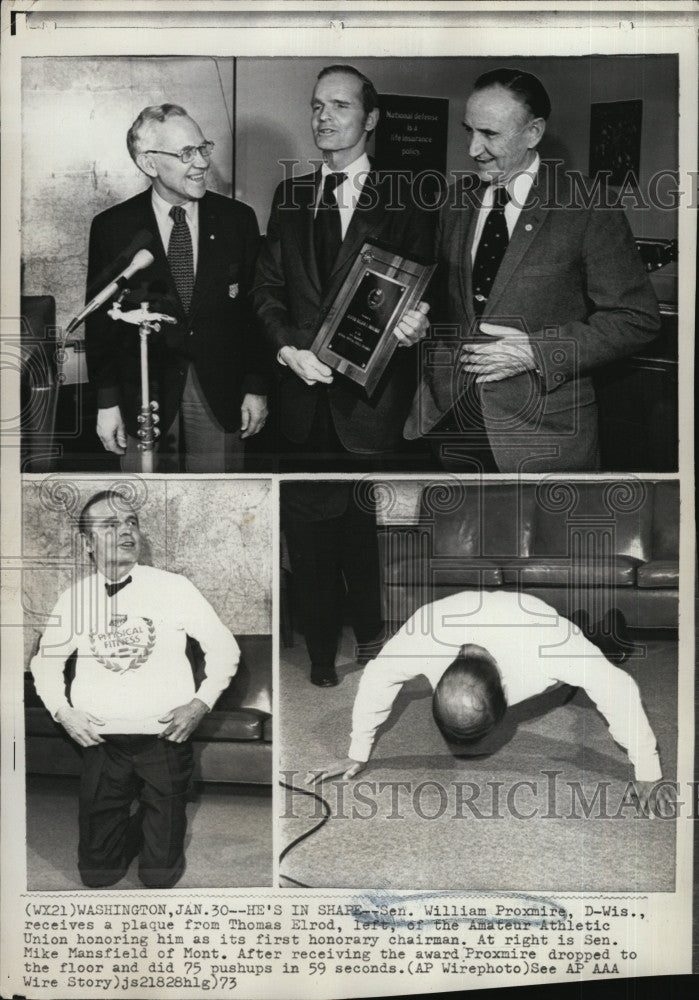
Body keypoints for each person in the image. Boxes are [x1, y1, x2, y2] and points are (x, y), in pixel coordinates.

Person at [404, 68, 661, 472]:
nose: (474, 149)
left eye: (490, 134)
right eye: (468, 131)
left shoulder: (587, 205)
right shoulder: (454, 202)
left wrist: (536, 352)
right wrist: (416, 322)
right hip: (449, 424)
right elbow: (442, 301)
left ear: (533, 133)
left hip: (543, 435)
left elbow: (635, 319)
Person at [30, 488, 239, 888]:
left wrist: (200, 703)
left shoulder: (174, 587)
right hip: (101, 743)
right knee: (96, 875)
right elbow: (46, 663)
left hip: (164, 738)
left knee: (160, 878)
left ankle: (158, 816)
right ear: (87, 543)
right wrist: (63, 711)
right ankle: (143, 820)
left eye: (131, 523)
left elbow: (224, 648)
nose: (127, 531)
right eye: (111, 525)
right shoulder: (74, 599)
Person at [309, 589, 673, 813]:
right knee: (578, 666)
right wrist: (358, 750)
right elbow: (376, 678)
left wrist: (648, 772)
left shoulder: (549, 648)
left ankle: (606, 633)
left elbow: (618, 690)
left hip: (536, 619)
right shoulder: (421, 639)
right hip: (463, 613)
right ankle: (587, 628)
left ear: (507, 692)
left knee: (591, 667)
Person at [253, 64, 433, 471]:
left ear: (371, 119)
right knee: (300, 526)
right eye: (317, 106)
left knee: (365, 531)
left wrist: (418, 324)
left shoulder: (409, 197)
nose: (323, 116)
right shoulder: (290, 194)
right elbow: (266, 289)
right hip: (298, 403)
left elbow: (427, 295)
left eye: (339, 105)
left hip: (370, 412)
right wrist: (286, 350)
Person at [85, 103, 268, 472]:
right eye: (186, 153)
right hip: (144, 394)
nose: (201, 162)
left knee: (218, 510)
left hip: (220, 392)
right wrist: (107, 402)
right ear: (149, 163)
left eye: (203, 148)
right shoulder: (112, 228)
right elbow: (101, 322)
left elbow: (256, 310)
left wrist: (257, 385)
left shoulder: (239, 220)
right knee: (147, 508)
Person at [281, 481, 384, 688]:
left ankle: (369, 643)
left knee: (365, 573)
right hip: (306, 501)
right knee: (315, 583)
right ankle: (322, 661)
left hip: (356, 491)